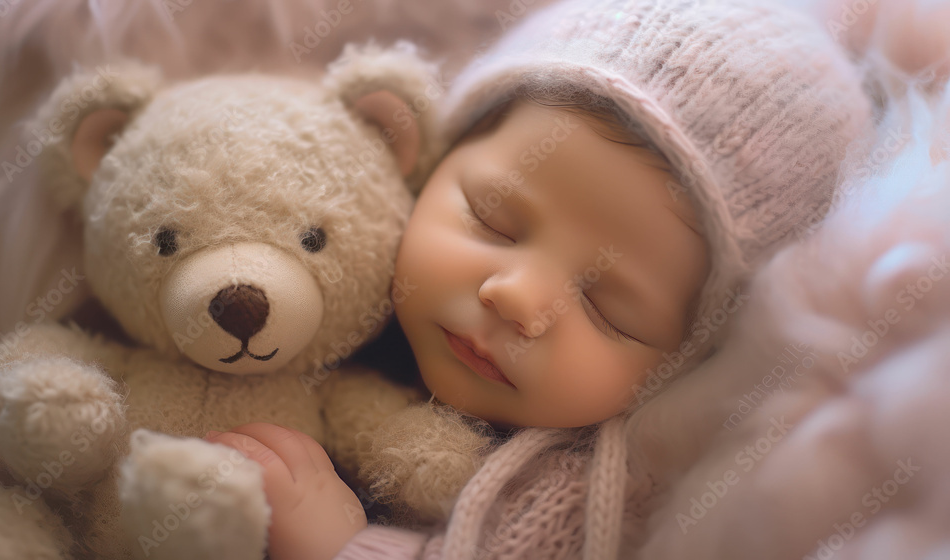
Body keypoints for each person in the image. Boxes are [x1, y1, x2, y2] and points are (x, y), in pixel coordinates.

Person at [204, 0, 876, 557]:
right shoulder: (341, 271)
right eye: (493, 221)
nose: (517, 298)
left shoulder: (577, 494)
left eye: (609, 307)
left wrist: (340, 545)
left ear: (684, 366)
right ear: (442, 155)